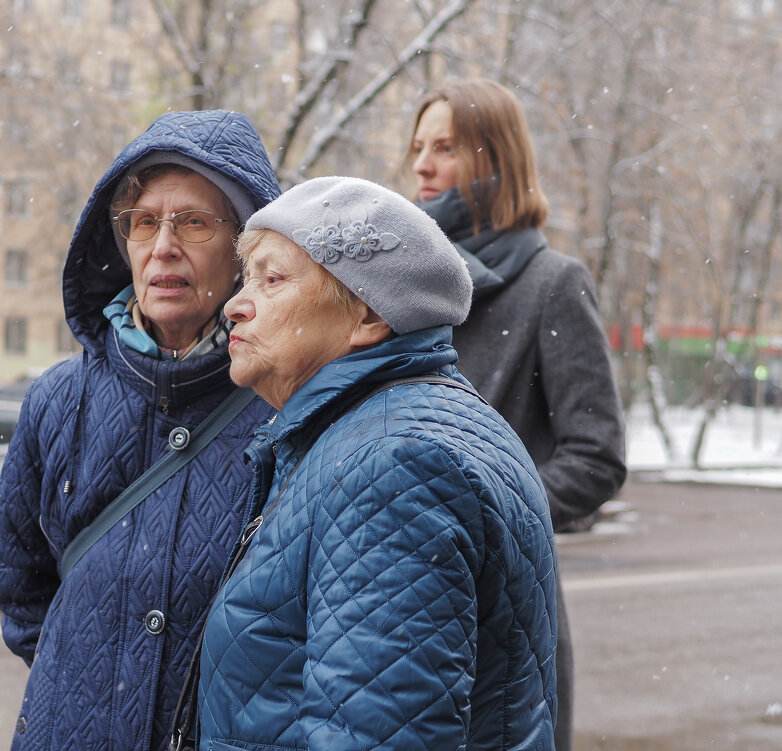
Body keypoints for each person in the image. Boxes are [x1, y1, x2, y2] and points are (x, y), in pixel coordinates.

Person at [192, 176, 558, 750]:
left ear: (367, 313)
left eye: (273, 278)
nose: (235, 305)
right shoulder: (376, 430)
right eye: (245, 278)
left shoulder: (391, 468)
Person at [0, 110, 281, 751]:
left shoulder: (286, 400)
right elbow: (20, 579)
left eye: (194, 222)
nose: (164, 245)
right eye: (145, 222)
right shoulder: (59, 399)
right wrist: (92, 682)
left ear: (246, 250)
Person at [407, 77, 628, 751]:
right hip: (400, 604)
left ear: (494, 159)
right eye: (417, 146)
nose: (421, 164)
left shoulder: (551, 284)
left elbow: (597, 456)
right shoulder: (403, 285)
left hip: (503, 613)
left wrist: (485, 512)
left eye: (444, 146)